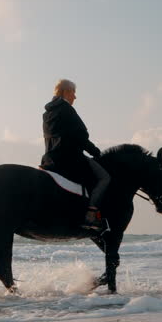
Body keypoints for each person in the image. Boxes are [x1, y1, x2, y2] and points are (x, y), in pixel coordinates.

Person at [41, 79, 111, 231]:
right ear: (66, 92)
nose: (75, 97)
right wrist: (96, 152)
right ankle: (91, 216)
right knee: (105, 178)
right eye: (73, 92)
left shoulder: (47, 113)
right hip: (69, 158)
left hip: (49, 159)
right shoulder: (67, 110)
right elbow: (81, 137)